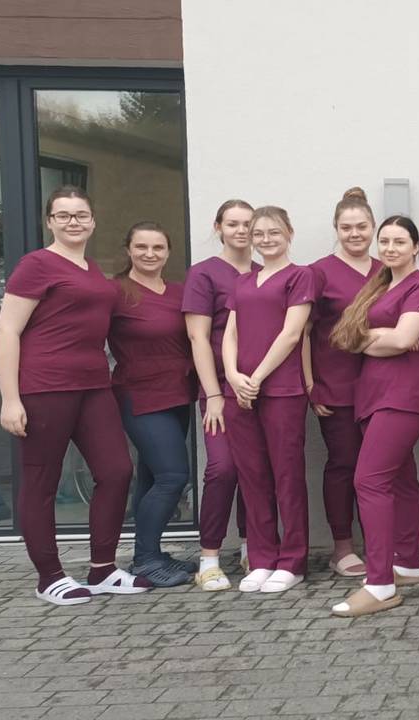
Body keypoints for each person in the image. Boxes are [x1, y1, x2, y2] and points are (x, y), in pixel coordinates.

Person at [0, 186, 149, 605]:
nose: (73, 222)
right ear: (50, 222)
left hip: (94, 385)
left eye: (80, 215)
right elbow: (7, 330)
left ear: (93, 221)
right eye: (63, 215)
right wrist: (10, 398)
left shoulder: (91, 268)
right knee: (41, 479)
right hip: (45, 385)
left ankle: (102, 569)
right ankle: (49, 577)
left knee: (116, 471)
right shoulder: (36, 265)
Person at [327, 216, 419, 617]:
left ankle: (379, 584)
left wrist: (377, 339)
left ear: (416, 247)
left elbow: (405, 338)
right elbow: (348, 336)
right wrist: (381, 339)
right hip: (372, 393)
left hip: (404, 394)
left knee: (369, 480)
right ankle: (407, 564)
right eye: (385, 241)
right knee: (400, 479)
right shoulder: (378, 286)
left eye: (400, 241)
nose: (391, 248)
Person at [222, 205, 315, 594]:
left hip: (281, 390)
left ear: (288, 232)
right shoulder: (243, 281)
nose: (265, 239)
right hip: (241, 392)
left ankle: (292, 561)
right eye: (258, 233)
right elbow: (230, 333)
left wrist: (257, 377)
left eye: (273, 232)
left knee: (286, 476)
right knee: (252, 476)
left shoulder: (300, 276)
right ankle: (262, 559)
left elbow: (292, 334)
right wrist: (233, 376)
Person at [109, 222, 197, 588]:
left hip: (178, 393)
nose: (149, 254)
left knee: (152, 477)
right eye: (141, 247)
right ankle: (145, 560)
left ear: (168, 252)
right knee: (173, 476)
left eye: (158, 248)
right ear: (128, 250)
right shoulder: (115, 292)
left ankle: (152, 553)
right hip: (140, 395)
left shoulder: (179, 292)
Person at [183, 199, 257, 592]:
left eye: (248, 223)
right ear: (219, 227)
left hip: (258, 390)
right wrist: (212, 393)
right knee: (222, 468)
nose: (241, 230)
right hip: (220, 392)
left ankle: (251, 548)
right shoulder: (204, 274)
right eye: (233, 223)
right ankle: (209, 559)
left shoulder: (264, 273)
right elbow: (198, 337)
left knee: (254, 470)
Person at [306, 188, 379, 579]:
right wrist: (310, 385)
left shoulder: (386, 270)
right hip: (335, 387)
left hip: (381, 386)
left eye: (361, 226)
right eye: (347, 227)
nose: (355, 234)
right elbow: (302, 333)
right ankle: (343, 547)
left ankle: (380, 543)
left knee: (379, 469)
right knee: (344, 465)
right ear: (336, 229)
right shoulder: (318, 273)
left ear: (373, 227)